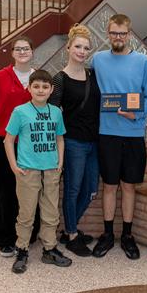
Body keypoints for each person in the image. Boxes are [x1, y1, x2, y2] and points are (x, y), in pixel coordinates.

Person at [91, 14, 147, 260]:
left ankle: (127, 236)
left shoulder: (143, 62)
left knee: (129, 186)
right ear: (108, 34)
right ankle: (108, 235)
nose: (118, 37)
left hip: (133, 134)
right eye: (113, 33)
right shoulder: (97, 60)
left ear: (129, 35)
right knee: (109, 186)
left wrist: (136, 116)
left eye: (122, 33)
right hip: (106, 134)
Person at [4, 70, 72, 274]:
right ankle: (22, 249)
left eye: (45, 87)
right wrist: (14, 166)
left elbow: (60, 138)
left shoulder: (56, 112)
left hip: (51, 169)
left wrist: (60, 161)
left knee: (51, 213)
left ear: (51, 90)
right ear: (29, 88)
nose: (40, 90)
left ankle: (49, 249)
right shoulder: (20, 111)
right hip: (28, 170)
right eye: (36, 86)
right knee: (26, 214)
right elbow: (8, 140)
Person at [0, 36, 40, 258]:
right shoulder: (0, 77)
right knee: (5, 192)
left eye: (26, 48)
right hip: (5, 142)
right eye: (18, 49)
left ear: (32, 51)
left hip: (32, 143)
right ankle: (6, 239)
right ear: (12, 53)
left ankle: (28, 235)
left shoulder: (39, 77)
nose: (23, 52)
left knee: (31, 190)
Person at [50, 24, 100, 257]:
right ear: (68, 47)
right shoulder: (60, 78)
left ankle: (69, 228)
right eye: (78, 46)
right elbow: (52, 113)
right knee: (72, 189)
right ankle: (71, 235)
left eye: (86, 48)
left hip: (94, 142)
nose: (82, 51)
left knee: (90, 189)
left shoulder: (93, 74)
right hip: (72, 143)